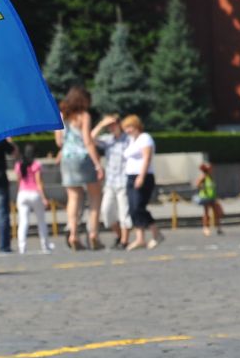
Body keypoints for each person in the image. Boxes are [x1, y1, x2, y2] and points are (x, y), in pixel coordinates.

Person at [55, 87, 103, 250]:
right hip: (83, 157)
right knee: (95, 197)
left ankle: (74, 234)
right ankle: (93, 233)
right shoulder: (84, 116)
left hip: (67, 158)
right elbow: (87, 141)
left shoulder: (61, 116)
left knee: (73, 198)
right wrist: (97, 164)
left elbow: (59, 142)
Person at [121, 114, 161, 250]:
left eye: (129, 127)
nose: (127, 130)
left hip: (143, 176)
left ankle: (156, 233)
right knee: (133, 209)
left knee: (139, 206)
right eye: (125, 128)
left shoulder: (145, 138)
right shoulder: (132, 140)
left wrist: (141, 176)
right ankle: (140, 239)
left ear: (136, 126)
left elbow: (147, 158)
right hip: (130, 176)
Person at [93, 114, 129, 249]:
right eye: (109, 126)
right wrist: (101, 124)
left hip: (124, 181)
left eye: (113, 125)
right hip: (110, 182)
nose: (111, 128)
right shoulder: (108, 139)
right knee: (106, 212)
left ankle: (124, 241)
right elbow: (90, 139)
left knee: (123, 212)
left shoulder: (128, 139)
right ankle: (119, 235)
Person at [15, 144, 51, 253]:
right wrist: (44, 197)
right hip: (34, 193)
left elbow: (18, 180)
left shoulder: (18, 165)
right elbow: (39, 182)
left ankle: (22, 246)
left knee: (23, 222)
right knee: (41, 220)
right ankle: (45, 245)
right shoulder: (36, 164)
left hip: (22, 193)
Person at [194, 163, 223, 235]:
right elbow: (197, 184)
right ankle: (206, 228)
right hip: (206, 197)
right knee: (206, 213)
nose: (211, 170)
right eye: (210, 168)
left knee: (217, 212)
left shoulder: (210, 176)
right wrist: (202, 187)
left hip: (212, 196)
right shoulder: (203, 176)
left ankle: (218, 227)